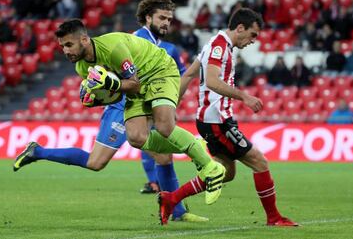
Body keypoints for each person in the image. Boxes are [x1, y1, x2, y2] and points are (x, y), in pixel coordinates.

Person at [13, 19, 226, 215]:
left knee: (164, 126)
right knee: (136, 138)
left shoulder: (113, 48)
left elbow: (133, 83)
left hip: (158, 72)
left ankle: (209, 166)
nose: (65, 51)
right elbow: (112, 93)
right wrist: (97, 99)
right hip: (133, 89)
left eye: (69, 45)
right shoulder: (82, 66)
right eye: (62, 47)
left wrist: (110, 85)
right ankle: (191, 147)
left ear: (85, 40)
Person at [158, 8, 298, 227]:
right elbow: (212, 81)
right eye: (252, 34)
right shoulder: (219, 46)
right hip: (217, 122)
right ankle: (274, 218)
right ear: (240, 28)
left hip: (213, 121)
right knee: (260, 162)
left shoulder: (214, 43)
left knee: (226, 173)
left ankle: (172, 198)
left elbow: (189, 74)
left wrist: (170, 103)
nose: (253, 41)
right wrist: (245, 96)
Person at [132, 0, 207, 222]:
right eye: (162, 17)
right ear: (147, 18)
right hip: (128, 107)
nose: (166, 22)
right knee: (96, 161)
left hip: (151, 105)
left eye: (169, 19)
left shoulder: (168, 48)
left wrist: (170, 101)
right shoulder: (135, 41)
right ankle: (200, 154)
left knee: (163, 155)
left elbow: (181, 76)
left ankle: (176, 210)